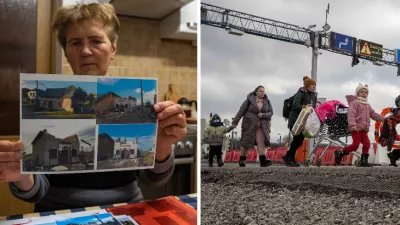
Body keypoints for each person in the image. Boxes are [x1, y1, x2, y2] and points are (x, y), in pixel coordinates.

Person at [0, 3, 187, 212]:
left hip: (125, 209)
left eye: (96, 41)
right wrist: (21, 175)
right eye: (75, 43)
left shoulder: (136, 105)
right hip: (58, 213)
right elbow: (37, 190)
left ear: (113, 49)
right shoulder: (46, 110)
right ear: (66, 52)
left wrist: (161, 146)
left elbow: (153, 180)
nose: (86, 51)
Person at [334, 83, 384, 167]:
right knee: (355, 145)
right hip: (356, 128)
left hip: (364, 129)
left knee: (367, 143)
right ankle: (341, 152)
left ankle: (364, 161)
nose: (364, 94)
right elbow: (351, 115)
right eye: (362, 92)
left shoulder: (367, 105)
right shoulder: (354, 103)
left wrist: (384, 118)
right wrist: (353, 125)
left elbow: (373, 114)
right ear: (357, 93)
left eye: (366, 92)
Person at [232, 85, 273, 167]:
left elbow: (271, 112)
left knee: (260, 142)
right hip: (249, 124)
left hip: (261, 125)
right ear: (256, 92)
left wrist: (263, 115)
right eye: (260, 91)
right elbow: (241, 110)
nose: (262, 93)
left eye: (263, 91)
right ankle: (242, 159)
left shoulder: (267, 101)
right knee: (246, 142)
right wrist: (235, 122)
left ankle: (263, 160)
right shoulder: (250, 100)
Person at [282, 76, 317, 167]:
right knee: (298, 139)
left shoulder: (313, 94)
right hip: (295, 120)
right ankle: (289, 157)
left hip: (304, 121)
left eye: (315, 85)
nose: (314, 87)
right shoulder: (301, 92)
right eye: (313, 85)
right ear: (308, 85)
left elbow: (314, 105)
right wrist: (306, 106)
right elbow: (295, 105)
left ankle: (289, 157)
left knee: (299, 140)